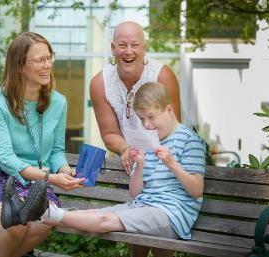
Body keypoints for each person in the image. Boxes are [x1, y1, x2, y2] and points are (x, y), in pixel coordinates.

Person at [41, 82, 206, 252]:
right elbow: (135, 194)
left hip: (172, 214)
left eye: (151, 117)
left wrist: (171, 164)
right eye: (142, 119)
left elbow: (196, 190)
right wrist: (140, 164)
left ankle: (45, 214)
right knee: (94, 213)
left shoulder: (189, 140)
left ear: (169, 110)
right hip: (143, 205)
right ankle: (43, 212)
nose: (147, 125)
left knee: (105, 220)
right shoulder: (149, 140)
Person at [0, 32, 84, 257]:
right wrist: (51, 178)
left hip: (38, 185)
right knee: (14, 221)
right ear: (20, 66)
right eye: (39, 60)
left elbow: (56, 151)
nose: (47, 65)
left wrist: (64, 169)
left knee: (43, 222)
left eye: (49, 57)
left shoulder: (58, 102)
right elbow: (5, 158)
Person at [89, 21, 181, 257]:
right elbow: (109, 133)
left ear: (144, 47)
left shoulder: (163, 76)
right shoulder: (100, 83)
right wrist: (125, 150)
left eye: (134, 45)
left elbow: (175, 130)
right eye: (122, 45)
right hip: (129, 165)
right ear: (112, 48)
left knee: (162, 237)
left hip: (164, 165)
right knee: (135, 238)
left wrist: (159, 165)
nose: (128, 51)